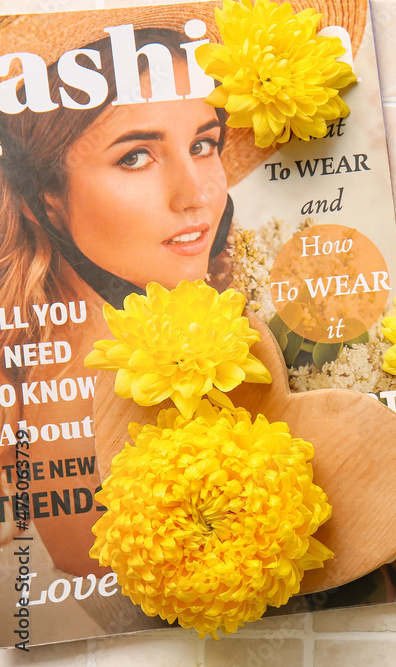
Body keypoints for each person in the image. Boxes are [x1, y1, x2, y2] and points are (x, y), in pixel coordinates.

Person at [0, 27, 231, 577]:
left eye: (203, 144)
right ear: (45, 200)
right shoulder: (78, 392)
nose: (195, 193)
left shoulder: (151, 325)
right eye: (135, 157)